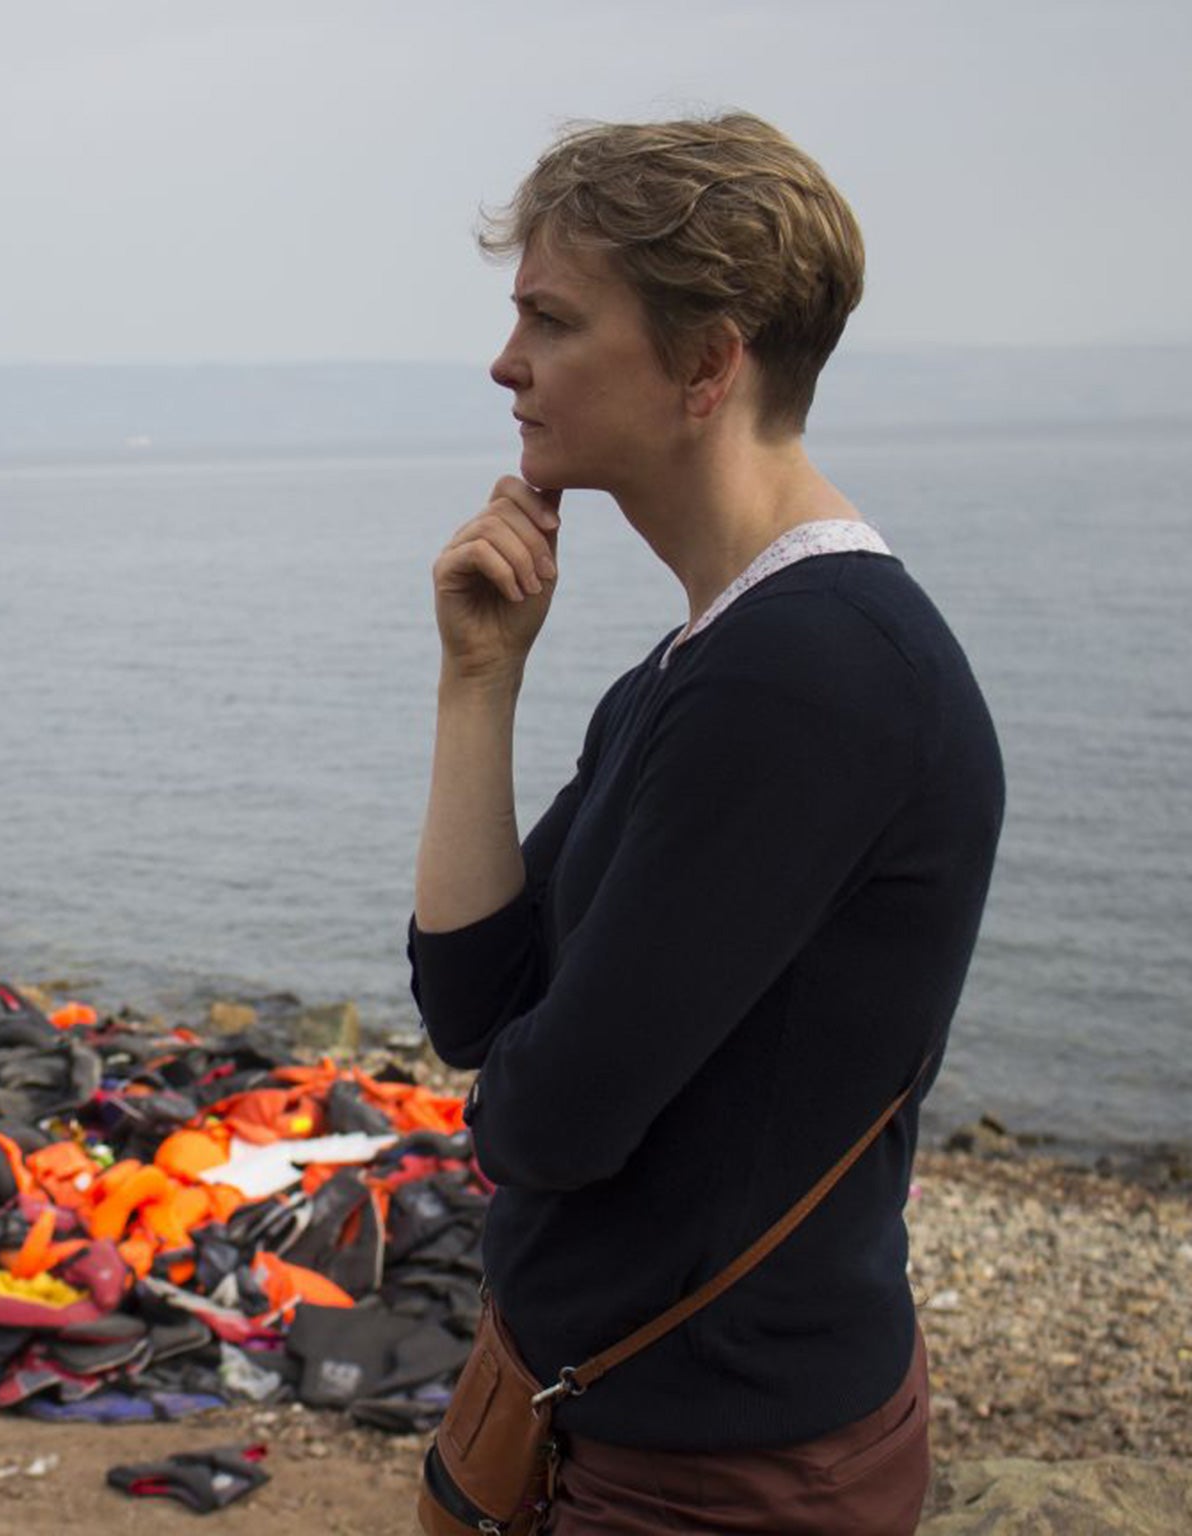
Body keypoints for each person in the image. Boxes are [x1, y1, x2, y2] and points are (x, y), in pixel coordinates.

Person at [410, 114, 1003, 1533]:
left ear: (705, 364)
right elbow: (470, 995)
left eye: (552, 321)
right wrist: (478, 683)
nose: (507, 367)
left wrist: (518, 1089)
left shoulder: (813, 678)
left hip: (715, 1475)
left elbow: (544, 1117)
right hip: (631, 1426)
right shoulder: (705, 663)